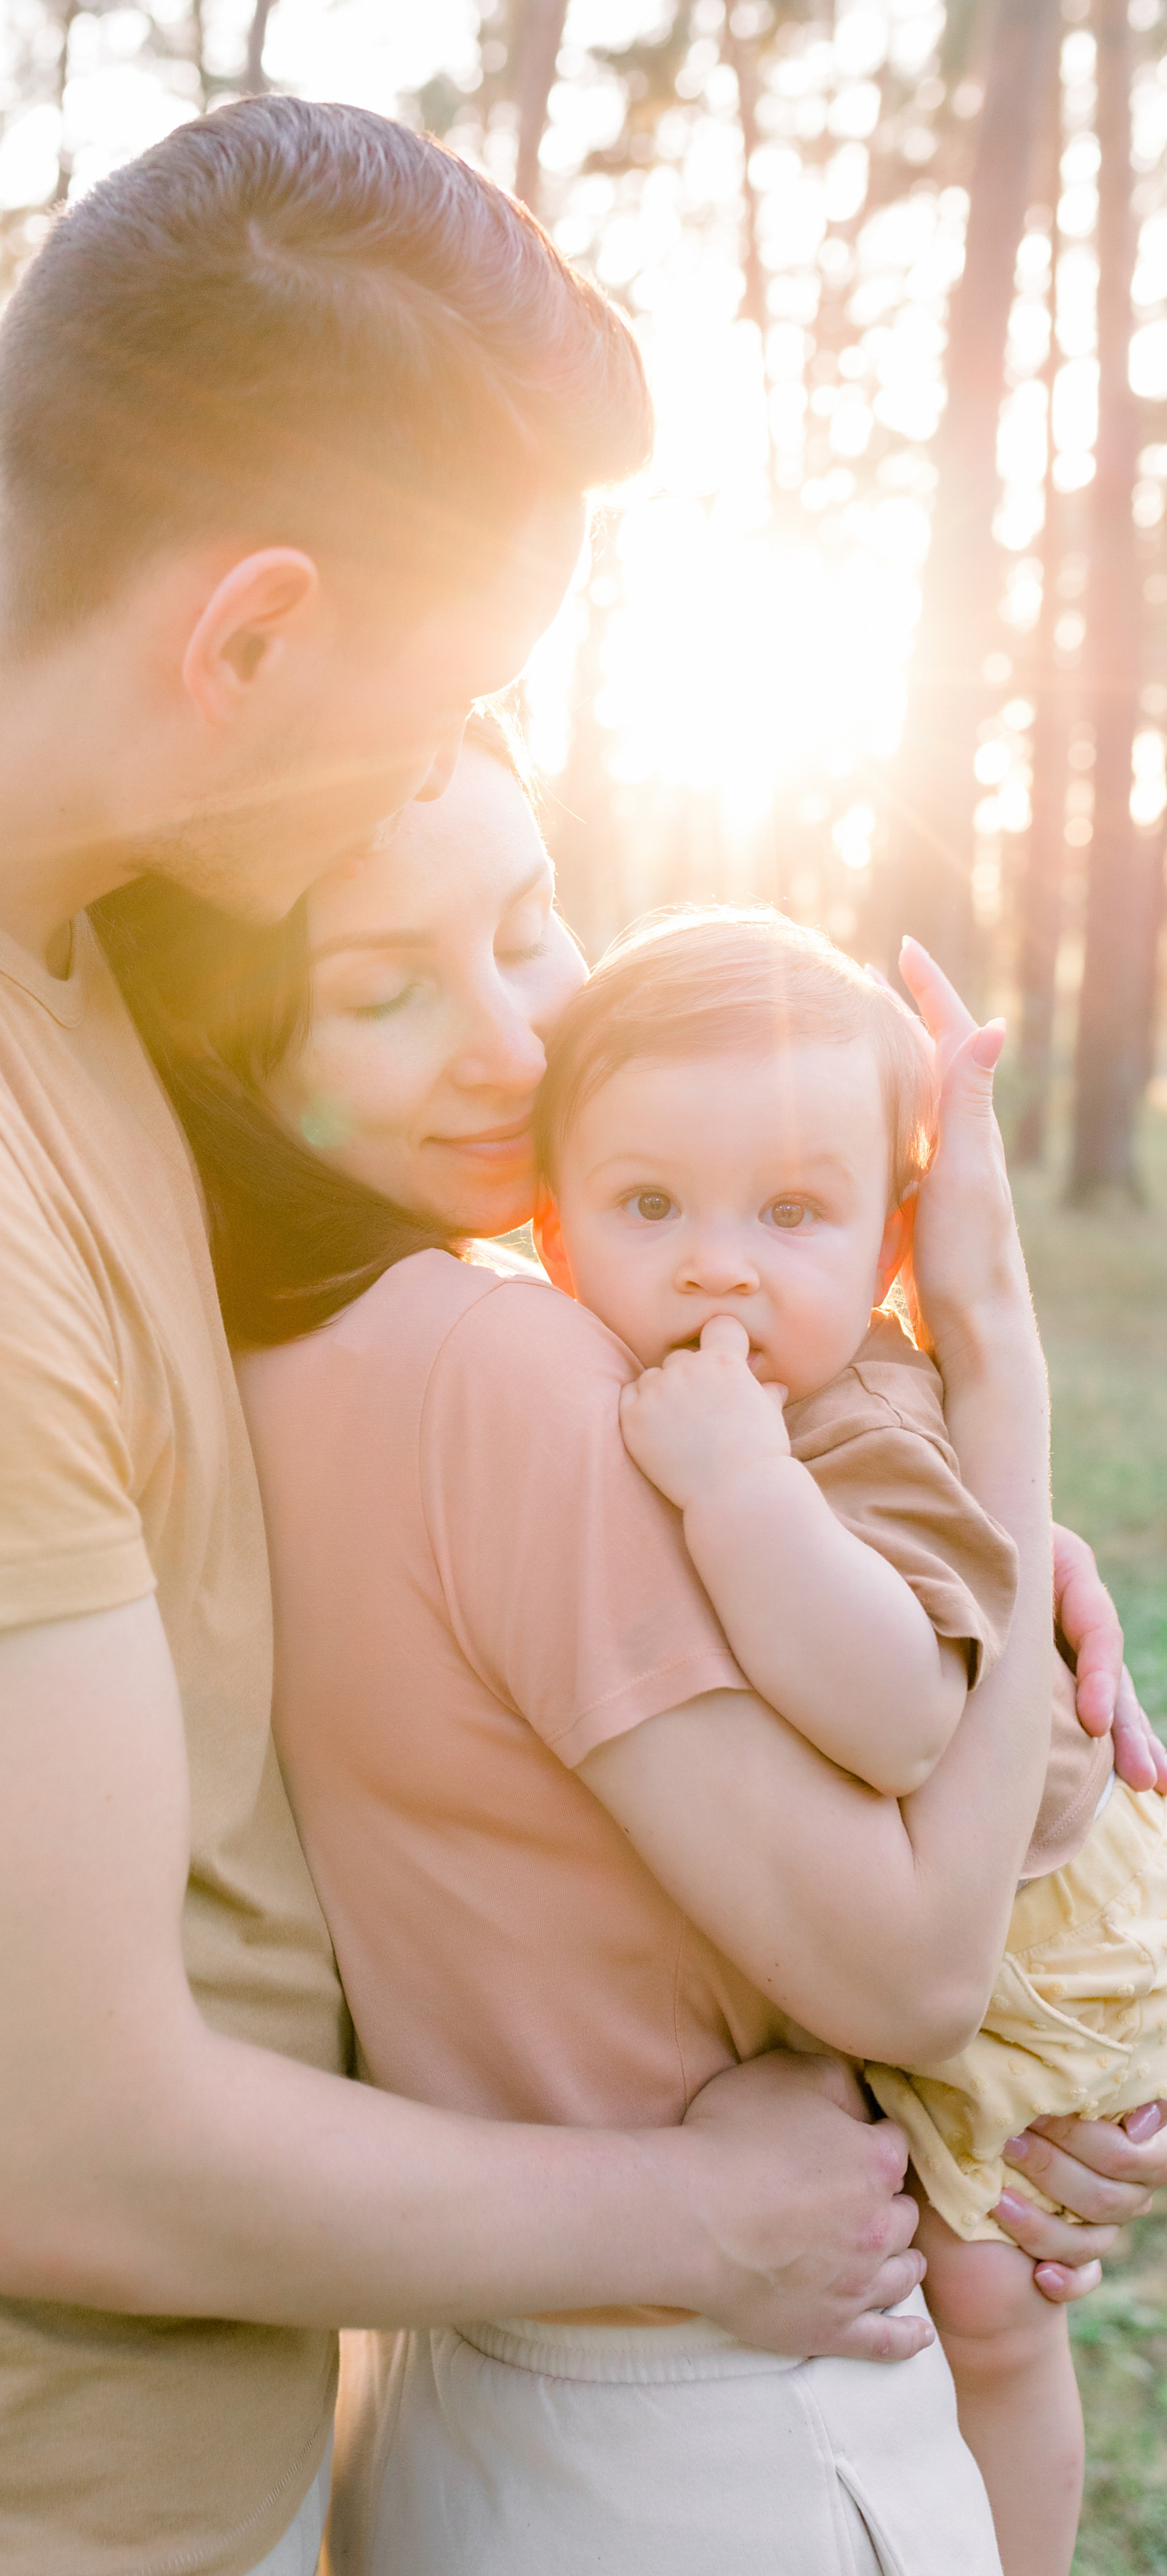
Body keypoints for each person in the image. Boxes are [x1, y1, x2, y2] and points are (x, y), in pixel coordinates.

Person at [0, 99, 974, 2576]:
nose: (448, 775)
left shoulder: (32, 934)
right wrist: (712, 2228)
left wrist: (927, 1513)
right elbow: (81, 2155)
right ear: (245, 634)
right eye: (439, 702)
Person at [100, 720, 1167, 2573]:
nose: (517, 1040)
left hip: (469, 2410)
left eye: (530, 919)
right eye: (385, 993)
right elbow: (915, 1971)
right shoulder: (508, 1374)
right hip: (721, 2432)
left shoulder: (245, 1354)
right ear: (243, 1052)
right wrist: (996, 1380)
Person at [529, 906, 1167, 2576]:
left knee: (992, 2298)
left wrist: (742, 1492)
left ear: (888, 1251)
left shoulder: (859, 1433)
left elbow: (894, 1717)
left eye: (789, 1214)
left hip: (1038, 1922)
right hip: (936, 1917)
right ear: (550, 1227)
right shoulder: (625, 1380)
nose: (715, 1262)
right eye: (647, 1205)